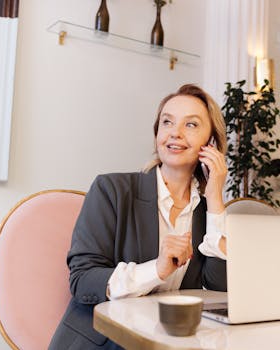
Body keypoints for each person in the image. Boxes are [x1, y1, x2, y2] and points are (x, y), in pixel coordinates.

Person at [49, 84, 229, 350]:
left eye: (191, 125)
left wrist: (215, 198)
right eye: (167, 122)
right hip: (104, 342)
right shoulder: (111, 190)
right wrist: (156, 270)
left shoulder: (206, 212)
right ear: (157, 133)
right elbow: (83, 281)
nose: (175, 133)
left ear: (210, 144)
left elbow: (219, 286)